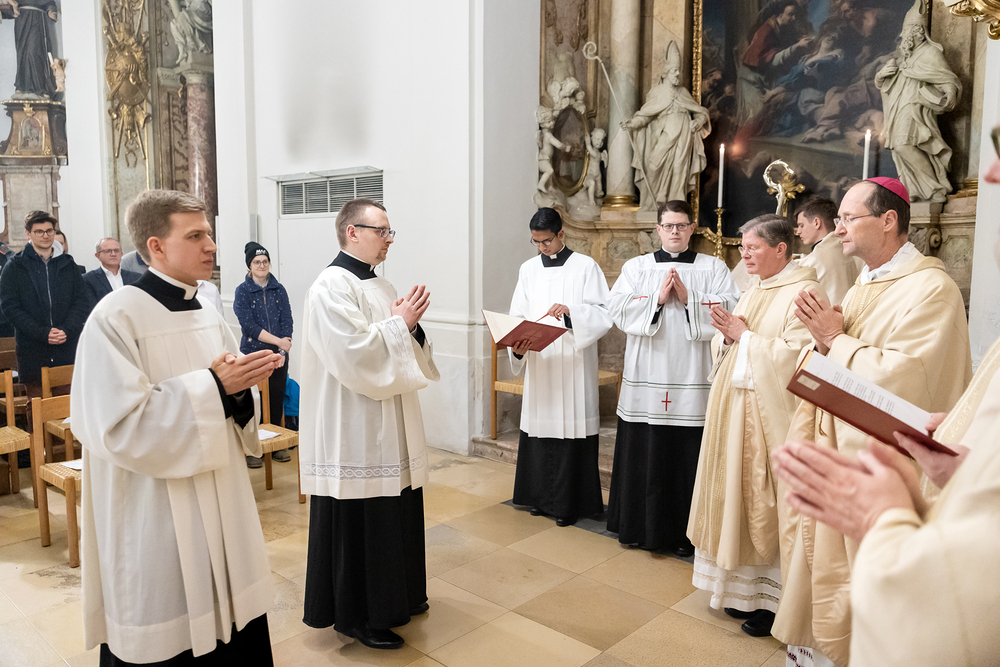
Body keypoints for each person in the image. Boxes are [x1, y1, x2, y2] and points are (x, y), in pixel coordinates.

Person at [71, 189, 282, 665]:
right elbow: (116, 425)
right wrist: (215, 386)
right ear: (156, 246)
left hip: (221, 495)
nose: (211, 245)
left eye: (209, 233)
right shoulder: (116, 316)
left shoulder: (207, 311)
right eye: (195, 235)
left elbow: (230, 397)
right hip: (156, 508)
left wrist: (238, 393)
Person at [772, 177, 973, 666]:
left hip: (881, 465)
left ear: (888, 220)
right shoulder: (865, 282)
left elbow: (907, 378)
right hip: (837, 443)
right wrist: (823, 342)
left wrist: (833, 340)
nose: (837, 228)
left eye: (847, 218)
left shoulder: (932, 288)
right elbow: (843, 351)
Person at [299, 198, 439, 650]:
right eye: (382, 231)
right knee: (363, 517)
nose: (389, 240)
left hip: (388, 419)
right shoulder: (330, 287)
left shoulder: (380, 283)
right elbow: (352, 356)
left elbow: (398, 344)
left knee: (394, 508)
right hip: (353, 423)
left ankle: (400, 597)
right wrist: (398, 325)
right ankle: (358, 616)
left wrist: (411, 329)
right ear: (352, 232)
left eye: (390, 231)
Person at [687, 214, 819, 638]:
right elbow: (736, 338)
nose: (743, 255)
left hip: (767, 419)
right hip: (733, 411)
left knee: (764, 503)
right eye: (742, 247)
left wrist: (743, 337)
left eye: (752, 248)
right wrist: (728, 337)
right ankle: (739, 591)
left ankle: (771, 601)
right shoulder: (754, 287)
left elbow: (800, 356)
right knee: (732, 498)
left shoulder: (805, 292)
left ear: (781, 249)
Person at [606, 200, 740, 556]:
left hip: (692, 374)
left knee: (687, 454)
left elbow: (733, 305)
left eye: (681, 225)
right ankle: (638, 527)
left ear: (692, 228)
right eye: (668, 226)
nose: (675, 231)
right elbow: (616, 307)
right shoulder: (637, 267)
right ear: (658, 229)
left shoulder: (713, 267)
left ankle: (687, 535)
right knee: (646, 449)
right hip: (647, 372)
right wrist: (658, 298)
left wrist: (690, 297)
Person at [507, 207, 612, 527]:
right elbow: (517, 315)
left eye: (547, 241)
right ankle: (540, 498)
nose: (542, 247)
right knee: (541, 428)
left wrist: (571, 314)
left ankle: (569, 504)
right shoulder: (528, 269)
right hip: (542, 363)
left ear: (561, 234)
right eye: (536, 242)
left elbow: (604, 313)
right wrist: (517, 346)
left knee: (570, 429)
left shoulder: (586, 267)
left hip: (573, 363)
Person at [874, 0, 960, 203]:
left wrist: (949, 93)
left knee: (904, 145)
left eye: (906, 32)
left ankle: (934, 187)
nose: (903, 36)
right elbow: (888, 84)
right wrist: (880, 77)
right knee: (900, 147)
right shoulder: (904, 58)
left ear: (918, 32)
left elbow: (948, 79)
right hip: (899, 107)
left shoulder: (931, 52)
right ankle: (916, 189)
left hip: (915, 109)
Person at [0, 211, 88, 393]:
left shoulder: (68, 265)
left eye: (49, 231)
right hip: (33, 349)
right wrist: (42, 333)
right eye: (39, 231)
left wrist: (66, 330)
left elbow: (81, 301)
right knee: (37, 404)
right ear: (28, 234)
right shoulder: (15, 266)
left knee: (67, 404)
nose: (45, 235)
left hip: (67, 345)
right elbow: (10, 307)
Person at [624, 41, 711, 210]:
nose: (678, 74)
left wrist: (698, 121)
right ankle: (651, 203)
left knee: (680, 170)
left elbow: (701, 112)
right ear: (666, 73)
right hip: (665, 133)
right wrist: (633, 123)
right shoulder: (657, 92)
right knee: (653, 165)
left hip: (684, 135)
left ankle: (675, 207)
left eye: (679, 71)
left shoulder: (683, 92)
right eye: (674, 70)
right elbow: (646, 115)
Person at [233, 241, 293, 468]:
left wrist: (284, 347)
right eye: (257, 262)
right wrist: (278, 342)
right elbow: (249, 326)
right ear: (249, 266)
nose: (261, 265)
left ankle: (276, 446)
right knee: (253, 403)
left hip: (278, 355)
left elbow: (287, 320)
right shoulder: (242, 291)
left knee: (276, 399)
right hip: (253, 354)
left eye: (265, 261)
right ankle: (253, 449)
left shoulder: (279, 289)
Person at [795, 196, 863, 305]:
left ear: (816, 222)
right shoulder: (856, 250)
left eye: (801, 225)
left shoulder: (814, 260)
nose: (798, 231)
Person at [83, 237, 141, 307]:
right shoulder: (88, 279)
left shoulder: (136, 278)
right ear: (98, 256)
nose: (113, 254)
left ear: (121, 254)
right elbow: (92, 307)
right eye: (108, 251)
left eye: (116, 250)